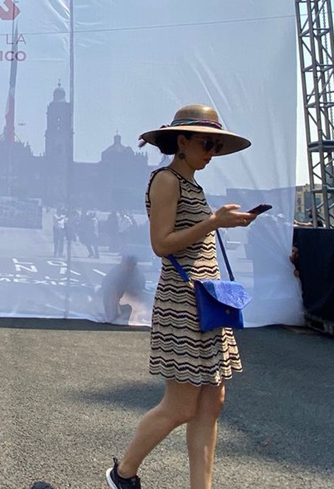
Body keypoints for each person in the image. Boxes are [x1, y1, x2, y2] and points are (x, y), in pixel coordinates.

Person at [106, 105, 256, 489]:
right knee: (182, 405)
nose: (211, 151)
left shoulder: (191, 183)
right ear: (182, 140)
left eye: (216, 145)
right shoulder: (166, 180)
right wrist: (213, 221)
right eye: (207, 143)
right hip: (183, 302)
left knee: (211, 403)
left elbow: (194, 236)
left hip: (207, 299)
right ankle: (123, 473)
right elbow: (161, 244)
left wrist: (225, 221)